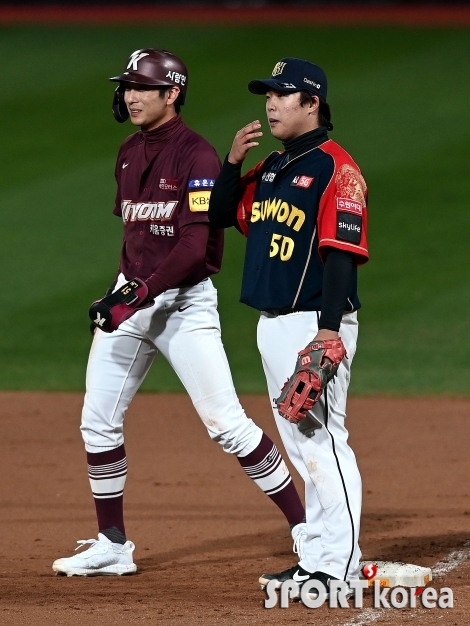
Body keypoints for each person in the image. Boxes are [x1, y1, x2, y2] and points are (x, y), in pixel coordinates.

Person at [52, 49, 307, 577]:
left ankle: (306, 527)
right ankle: (113, 543)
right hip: (133, 298)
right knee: (97, 422)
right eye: (126, 86)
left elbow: (193, 250)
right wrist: (129, 292)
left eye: (142, 87)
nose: (130, 96)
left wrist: (138, 295)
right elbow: (138, 234)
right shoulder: (126, 152)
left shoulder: (198, 157)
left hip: (183, 304)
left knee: (227, 424)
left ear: (172, 94)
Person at [208, 57, 369, 599]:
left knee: (323, 440)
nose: (271, 103)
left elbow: (342, 254)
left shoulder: (335, 168)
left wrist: (327, 333)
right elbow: (221, 212)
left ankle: (338, 566)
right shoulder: (274, 167)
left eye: (282, 94)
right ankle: (318, 559)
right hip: (272, 323)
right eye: (268, 94)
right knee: (302, 445)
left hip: (314, 323)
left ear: (312, 103)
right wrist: (232, 162)